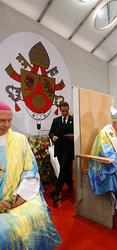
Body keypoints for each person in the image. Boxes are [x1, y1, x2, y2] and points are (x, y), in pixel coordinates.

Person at [0, 101, 61, 248]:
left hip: (15, 196)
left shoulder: (19, 140)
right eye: (2, 120)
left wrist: (20, 195)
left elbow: (30, 171)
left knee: (38, 215)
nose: (7, 125)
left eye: (9, 120)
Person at [49, 101, 74, 201]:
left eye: (66, 111)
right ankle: (71, 185)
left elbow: (77, 133)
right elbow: (50, 132)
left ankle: (57, 192)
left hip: (69, 149)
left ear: (69, 109)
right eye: (63, 111)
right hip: (59, 150)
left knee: (63, 169)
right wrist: (52, 136)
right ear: (60, 110)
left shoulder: (74, 120)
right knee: (66, 171)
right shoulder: (56, 120)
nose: (65, 113)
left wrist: (73, 136)